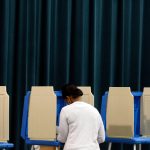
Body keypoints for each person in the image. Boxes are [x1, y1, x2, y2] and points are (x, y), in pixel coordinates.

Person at [57, 84, 105, 150]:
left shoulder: (65, 110)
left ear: (68, 98)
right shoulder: (94, 110)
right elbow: (102, 138)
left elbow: (63, 138)